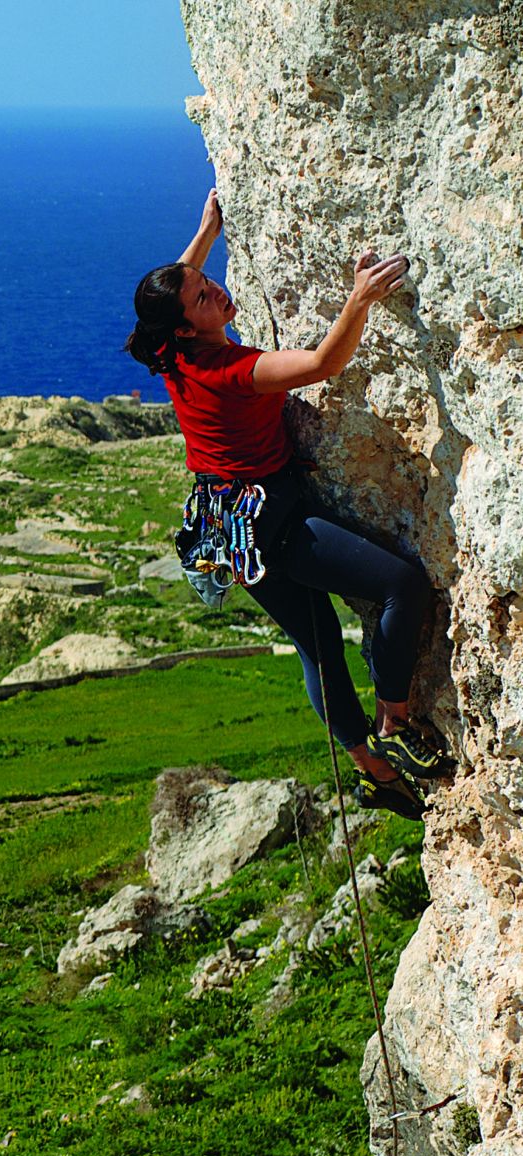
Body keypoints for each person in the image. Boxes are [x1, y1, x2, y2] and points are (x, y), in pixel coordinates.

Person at [125, 188, 446, 820]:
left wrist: (204, 234)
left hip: (227, 531)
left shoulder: (170, 350)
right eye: (202, 296)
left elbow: (173, 300)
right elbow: (325, 362)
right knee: (403, 587)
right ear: (190, 326)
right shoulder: (230, 372)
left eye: (206, 281)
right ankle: (396, 726)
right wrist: (359, 300)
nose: (215, 290)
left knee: (318, 642)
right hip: (274, 527)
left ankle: (370, 770)